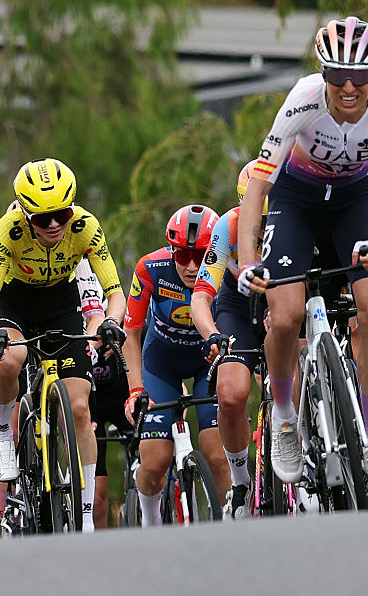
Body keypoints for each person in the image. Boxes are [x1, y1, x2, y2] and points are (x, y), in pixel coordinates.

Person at [237, 16, 368, 496]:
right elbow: (259, 183)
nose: (348, 88)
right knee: (285, 315)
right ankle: (286, 420)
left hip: (356, 201)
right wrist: (248, 261)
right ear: (324, 75)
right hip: (298, 199)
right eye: (337, 76)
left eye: (360, 77)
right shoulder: (303, 99)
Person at [0, 158, 126, 532]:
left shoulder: (86, 227)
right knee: (12, 358)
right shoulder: (8, 230)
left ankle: (86, 515)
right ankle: (2, 436)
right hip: (15, 300)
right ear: (26, 216)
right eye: (43, 219)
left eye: (61, 213)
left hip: (60, 302)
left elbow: (114, 292)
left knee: (79, 410)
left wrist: (110, 321)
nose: (55, 224)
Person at [0, 205, 106, 529]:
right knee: (11, 414)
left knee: (78, 409)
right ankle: (6, 515)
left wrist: (92, 346)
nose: (50, 229)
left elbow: (94, 310)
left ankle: (80, 510)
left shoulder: (69, 244)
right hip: (12, 330)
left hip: (56, 328)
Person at [122, 204, 232, 527]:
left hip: (205, 363)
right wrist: (135, 390)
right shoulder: (149, 269)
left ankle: (237, 525)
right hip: (161, 363)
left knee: (216, 454)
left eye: (200, 254)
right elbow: (131, 332)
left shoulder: (224, 270)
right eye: (182, 255)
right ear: (171, 249)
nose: (192, 265)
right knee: (155, 461)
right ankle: (151, 520)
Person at [193, 162, 269, 519]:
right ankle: (241, 483)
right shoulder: (228, 226)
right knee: (231, 393)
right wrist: (213, 335)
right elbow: (201, 297)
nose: (261, 230)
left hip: (285, 292)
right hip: (239, 302)